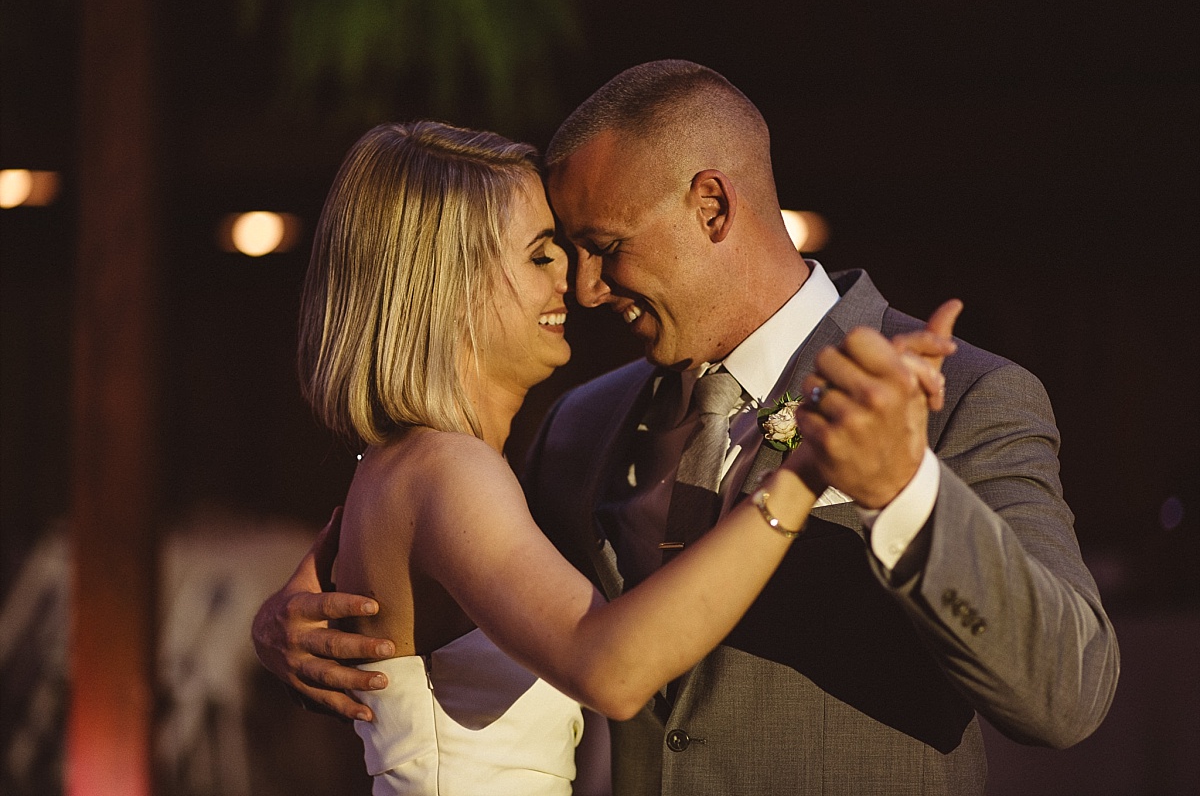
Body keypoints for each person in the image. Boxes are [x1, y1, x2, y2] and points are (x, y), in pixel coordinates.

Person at [254, 62, 1119, 795]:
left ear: (712, 207)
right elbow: (446, 594)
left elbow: (1070, 696)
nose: (586, 289)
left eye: (602, 245)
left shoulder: (963, 396)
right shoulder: (579, 427)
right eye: (557, 252)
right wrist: (291, 619)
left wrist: (908, 494)